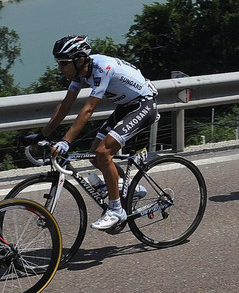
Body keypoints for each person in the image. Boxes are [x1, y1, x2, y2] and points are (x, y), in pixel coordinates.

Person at [37, 35, 158, 231]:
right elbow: (66, 105)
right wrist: (43, 134)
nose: (60, 68)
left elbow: (88, 110)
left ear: (79, 59)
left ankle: (116, 210)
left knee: (103, 153)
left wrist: (66, 141)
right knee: (95, 156)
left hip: (143, 104)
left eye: (63, 63)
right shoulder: (79, 74)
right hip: (125, 106)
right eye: (58, 63)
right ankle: (130, 190)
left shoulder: (102, 69)